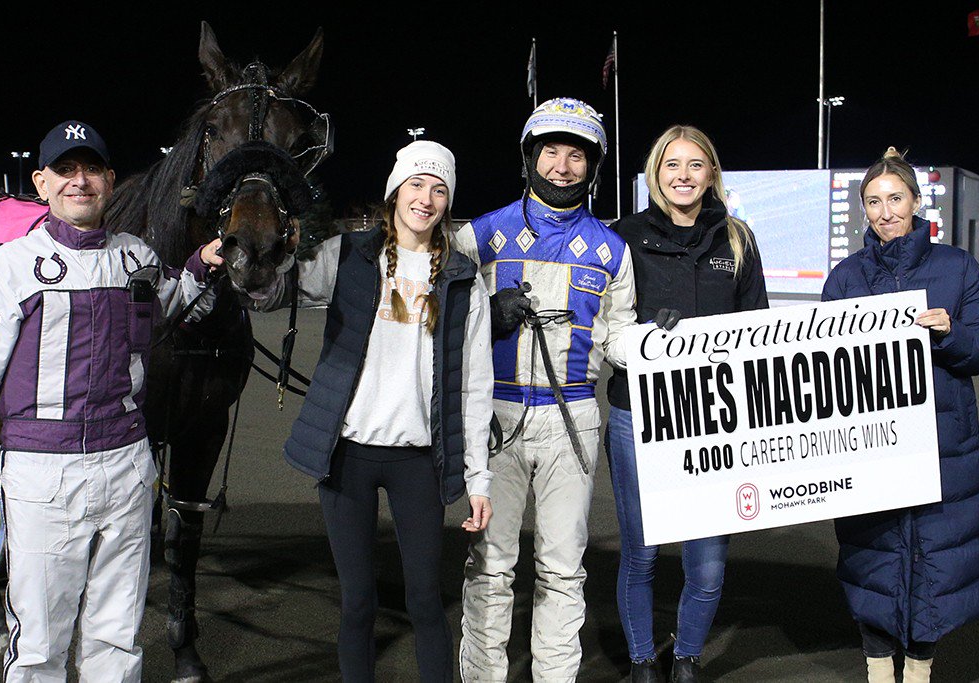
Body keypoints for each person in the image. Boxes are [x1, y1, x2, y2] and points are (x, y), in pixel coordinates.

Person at [0, 120, 223, 681]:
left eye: (91, 170)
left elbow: (169, 311)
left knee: (118, 639)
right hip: (41, 475)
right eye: (65, 170)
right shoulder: (4, 270)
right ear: (41, 182)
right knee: (39, 644)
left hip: (128, 468)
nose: (79, 181)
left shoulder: (137, 258)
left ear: (110, 181)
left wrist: (200, 266)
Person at [256, 140, 492, 682]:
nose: (426, 199)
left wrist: (477, 480)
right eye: (416, 184)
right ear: (394, 191)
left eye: (439, 189)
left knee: (426, 600)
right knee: (358, 602)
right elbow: (274, 285)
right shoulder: (345, 255)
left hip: (418, 460)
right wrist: (268, 238)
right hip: (348, 458)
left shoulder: (462, 279)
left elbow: (475, 388)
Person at [456, 97, 637, 681]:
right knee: (490, 567)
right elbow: (437, 321)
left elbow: (620, 337)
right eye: (551, 152)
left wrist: (667, 346)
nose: (562, 166)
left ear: (593, 165)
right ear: (531, 158)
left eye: (576, 155)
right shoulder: (480, 237)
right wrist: (484, 309)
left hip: (573, 423)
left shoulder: (612, 249)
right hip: (495, 419)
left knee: (563, 570)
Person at [821, 148, 979, 683]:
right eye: (873, 201)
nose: (885, 211)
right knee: (874, 553)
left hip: (944, 444)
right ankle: (878, 664)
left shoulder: (958, 267)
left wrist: (950, 334)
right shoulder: (846, 278)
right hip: (870, 446)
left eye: (895, 198)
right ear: (863, 211)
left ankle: (920, 665)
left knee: (936, 555)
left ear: (916, 203)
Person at [604, 124, 768, 683]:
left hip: (718, 421)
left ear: (712, 175)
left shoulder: (738, 239)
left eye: (695, 165)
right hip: (638, 415)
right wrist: (645, 340)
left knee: (707, 562)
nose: (683, 175)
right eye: (672, 165)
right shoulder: (622, 237)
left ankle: (686, 659)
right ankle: (644, 662)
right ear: (655, 174)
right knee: (642, 554)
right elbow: (605, 327)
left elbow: (761, 331)